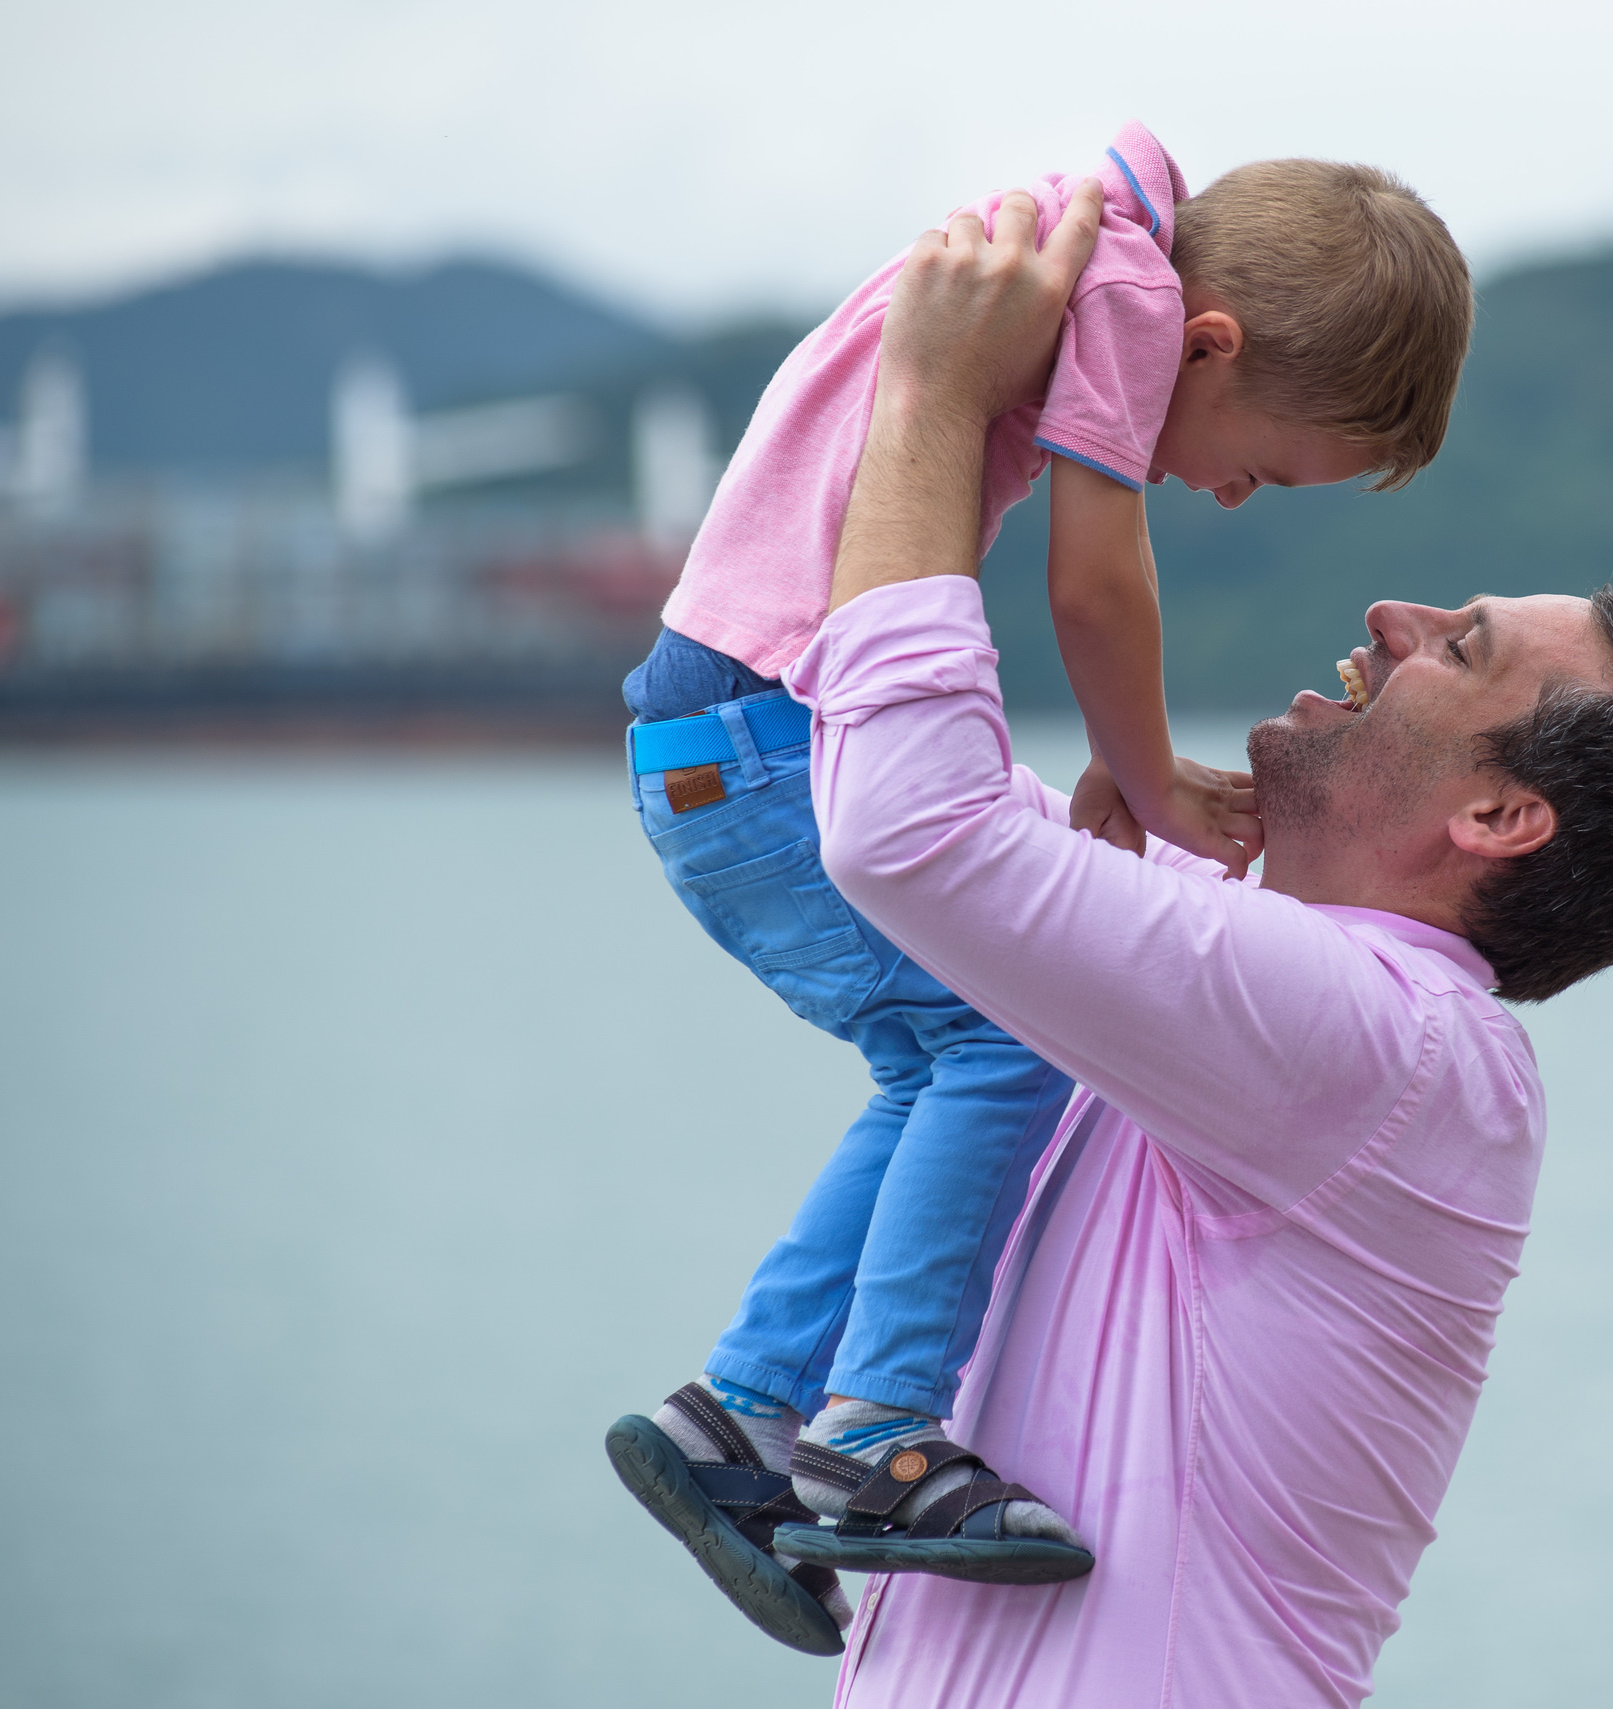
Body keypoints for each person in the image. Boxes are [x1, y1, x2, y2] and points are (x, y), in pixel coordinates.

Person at [721, 182, 1613, 1706]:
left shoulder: (1407, 1055)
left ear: (1500, 816)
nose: (1392, 610)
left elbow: (910, 829)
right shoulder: (1274, 1030)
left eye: (1459, 647)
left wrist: (934, 396)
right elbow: (879, 787)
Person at [604, 125, 1476, 1655]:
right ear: (1209, 345)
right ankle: (876, 1433)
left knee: (933, 1053)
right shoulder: (1124, 294)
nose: (1225, 497)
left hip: (718, 728)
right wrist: (1144, 778)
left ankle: (738, 1414)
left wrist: (1108, 780)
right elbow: (1094, 578)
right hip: (767, 735)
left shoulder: (1070, 251)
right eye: (1255, 467)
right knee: (1002, 1041)